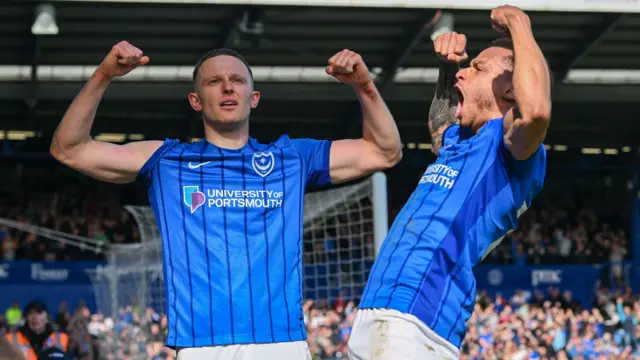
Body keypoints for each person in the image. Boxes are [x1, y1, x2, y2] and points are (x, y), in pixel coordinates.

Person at [50, 42, 402, 359]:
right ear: (195, 100)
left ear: (254, 97)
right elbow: (69, 149)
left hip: (282, 344)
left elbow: (384, 152)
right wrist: (104, 75)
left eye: (236, 79)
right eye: (213, 82)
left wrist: (365, 86)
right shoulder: (167, 161)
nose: (228, 86)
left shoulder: (292, 157)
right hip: (201, 346)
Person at [350, 5, 551, 360]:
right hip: (382, 310)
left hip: (419, 314)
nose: (464, 73)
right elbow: (439, 130)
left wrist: (520, 25)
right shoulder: (462, 142)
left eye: (477, 68)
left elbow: (535, 111)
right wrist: (448, 67)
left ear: (510, 92)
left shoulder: (509, 148)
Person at [5, 300, 69, 360]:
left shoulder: (61, 338)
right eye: (31, 313)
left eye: (39, 312)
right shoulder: (11, 339)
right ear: (26, 318)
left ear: (47, 317)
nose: (34, 317)